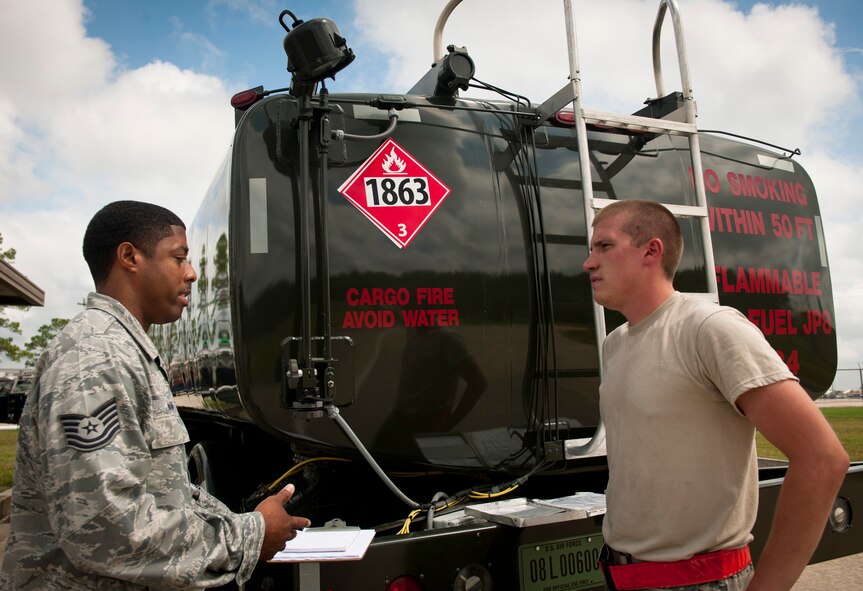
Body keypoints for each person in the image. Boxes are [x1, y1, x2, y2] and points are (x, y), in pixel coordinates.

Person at [0, 201, 311, 590]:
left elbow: (162, 491)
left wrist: (248, 521)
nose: (192, 273)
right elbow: (104, 529)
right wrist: (248, 536)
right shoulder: (94, 359)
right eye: (178, 257)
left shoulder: (123, 351)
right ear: (129, 257)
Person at [582, 200, 849, 591]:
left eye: (604, 247)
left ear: (651, 251)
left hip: (702, 583)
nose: (589, 262)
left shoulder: (709, 328)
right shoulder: (615, 344)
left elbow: (823, 459)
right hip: (624, 577)